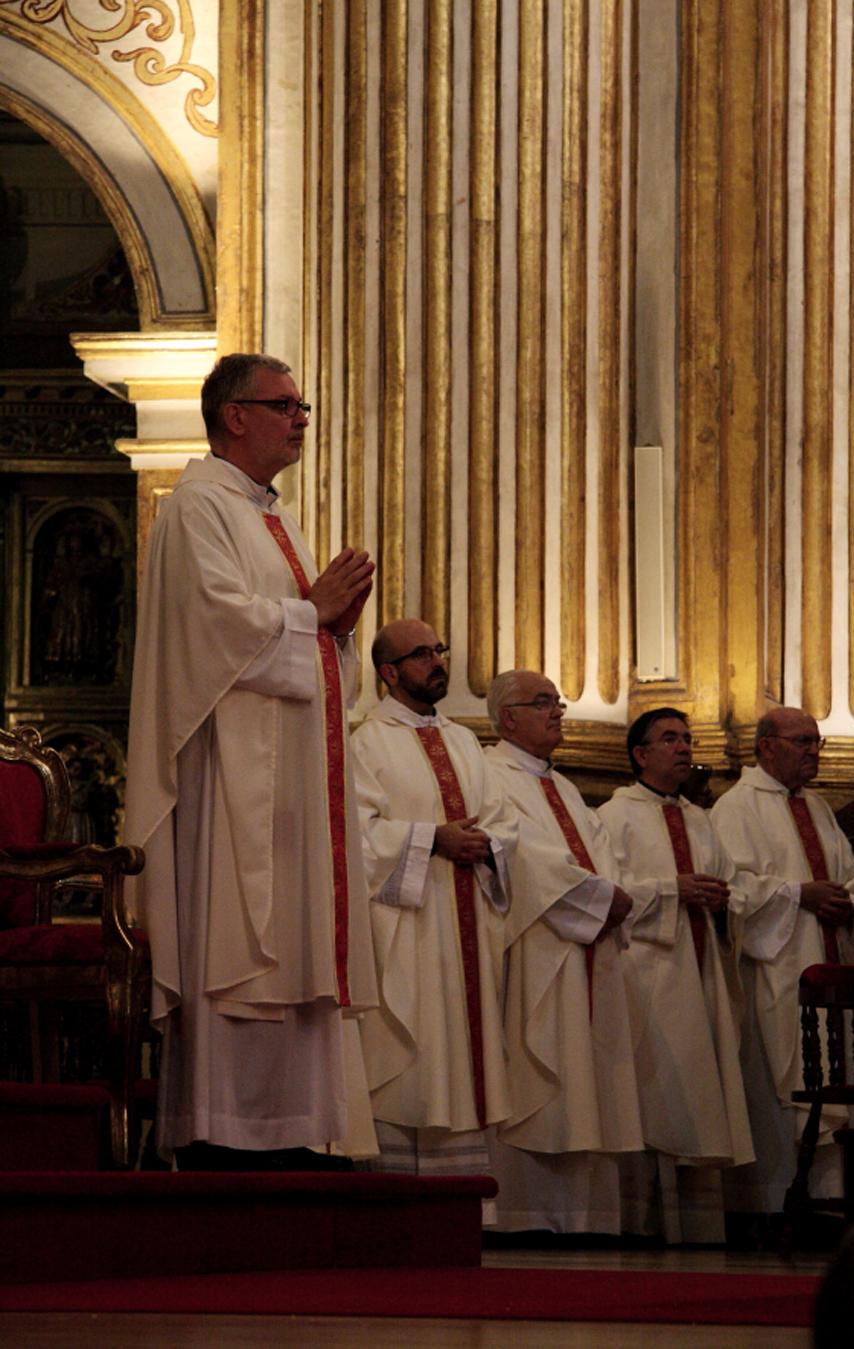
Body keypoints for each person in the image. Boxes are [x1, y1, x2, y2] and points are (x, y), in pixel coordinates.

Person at [125, 352, 378, 1169]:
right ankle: (225, 1130)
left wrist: (331, 626)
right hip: (230, 776)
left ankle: (292, 1126)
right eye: (286, 405)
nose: (301, 418)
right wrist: (312, 615)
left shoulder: (273, 516)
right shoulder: (198, 506)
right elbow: (213, 629)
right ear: (234, 415)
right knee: (239, 938)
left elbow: (298, 630)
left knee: (295, 941)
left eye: (302, 405)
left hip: (289, 777)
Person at [350, 619, 516, 1183]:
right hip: (409, 922)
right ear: (389, 672)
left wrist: (486, 842)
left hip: (466, 911)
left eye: (438, 650)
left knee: (463, 1046)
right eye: (420, 655)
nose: (437, 662)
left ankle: (458, 1190)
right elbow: (357, 833)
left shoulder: (464, 739)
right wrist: (431, 839)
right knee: (410, 1042)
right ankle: (393, 1183)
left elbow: (502, 819)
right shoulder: (366, 741)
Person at [483, 670, 644, 1233]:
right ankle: (527, 1215)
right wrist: (601, 897)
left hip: (587, 948)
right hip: (537, 949)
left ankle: (584, 1219)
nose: (557, 712)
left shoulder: (566, 788)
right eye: (542, 703)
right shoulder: (488, 775)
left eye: (559, 703)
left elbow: (599, 856)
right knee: (542, 1070)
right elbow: (516, 852)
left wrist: (610, 895)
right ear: (507, 718)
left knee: (586, 1075)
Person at [711, 706, 854, 1215]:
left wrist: (845, 903)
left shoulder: (820, 808)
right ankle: (774, 1202)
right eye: (802, 741)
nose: (813, 751)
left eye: (816, 742)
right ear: (766, 747)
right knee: (784, 1080)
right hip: (776, 968)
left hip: (827, 962)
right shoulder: (735, 808)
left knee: (837, 1079)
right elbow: (732, 889)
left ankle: (832, 1200)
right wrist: (796, 895)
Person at [597, 707, 753, 1243]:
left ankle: (697, 1229)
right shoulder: (613, 816)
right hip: (648, 972)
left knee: (698, 1092)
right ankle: (642, 1225)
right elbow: (607, 891)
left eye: (687, 739)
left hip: (701, 965)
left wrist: (722, 898)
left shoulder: (699, 818)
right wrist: (671, 890)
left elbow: (730, 884)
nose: (684, 748)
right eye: (669, 739)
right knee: (654, 1091)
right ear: (640, 755)